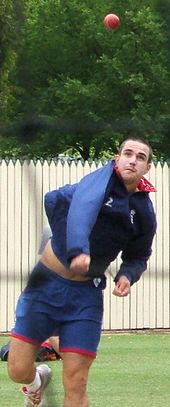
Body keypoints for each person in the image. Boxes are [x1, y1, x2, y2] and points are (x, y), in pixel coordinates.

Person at [7, 137, 157, 407]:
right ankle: (36, 381)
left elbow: (138, 255)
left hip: (85, 296)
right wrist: (74, 247)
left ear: (147, 167)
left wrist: (127, 275)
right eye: (128, 153)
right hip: (45, 286)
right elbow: (64, 204)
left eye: (141, 157)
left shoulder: (143, 211)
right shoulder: (95, 184)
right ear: (117, 158)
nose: (132, 160)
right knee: (17, 369)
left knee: (76, 382)